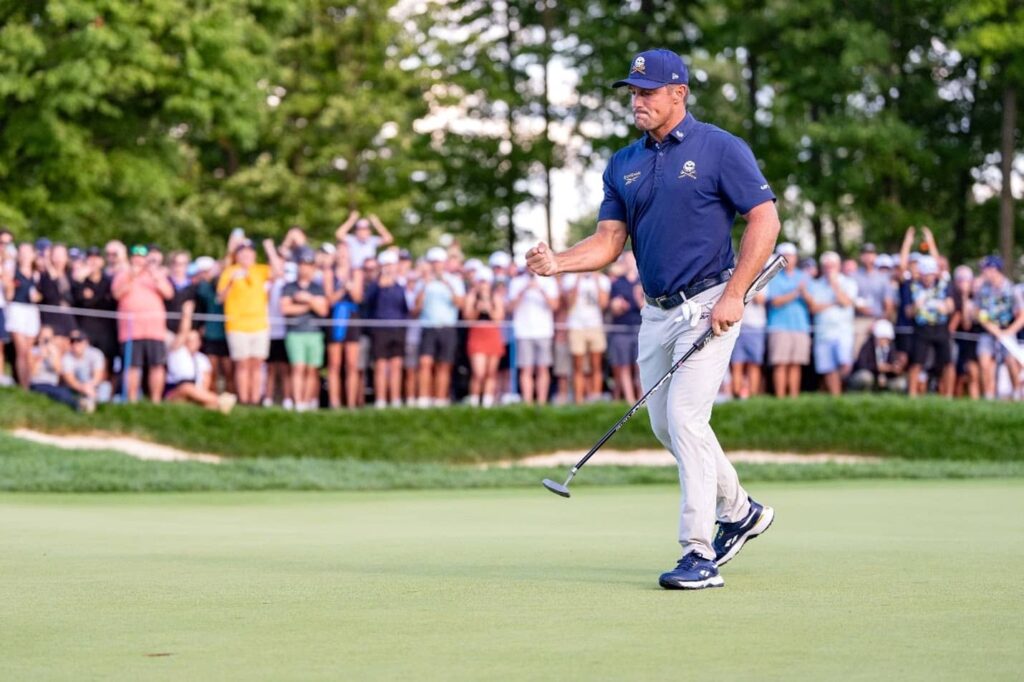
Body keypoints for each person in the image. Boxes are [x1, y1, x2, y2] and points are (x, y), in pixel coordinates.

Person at [526, 48, 780, 590]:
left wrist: (734, 295)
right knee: (665, 423)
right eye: (633, 92)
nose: (637, 101)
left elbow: (765, 219)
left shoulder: (720, 148)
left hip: (710, 302)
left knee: (686, 418)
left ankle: (698, 551)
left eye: (647, 92)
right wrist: (559, 264)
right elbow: (609, 241)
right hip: (656, 311)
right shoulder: (624, 162)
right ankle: (742, 511)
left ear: (678, 94)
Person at [217, 238, 284, 405]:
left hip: (259, 325)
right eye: (242, 252)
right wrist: (232, 281)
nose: (246, 255)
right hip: (237, 325)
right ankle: (245, 400)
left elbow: (279, 273)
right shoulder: (229, 271)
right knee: (242, 364)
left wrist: (270, 249)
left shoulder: (260, 270)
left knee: (257, 364)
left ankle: (255, 400)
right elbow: (220, 298)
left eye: (249, 251)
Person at [111, 245, 174, 402]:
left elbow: (169, 293)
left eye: (142, 256)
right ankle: (132, 400)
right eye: (136, 256)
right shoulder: (123, 274)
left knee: (157, 365)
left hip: (154, 329)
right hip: (131, 330)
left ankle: (155, 401)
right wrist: (132, 277)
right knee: (132, 366)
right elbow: (117, 294)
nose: (139, 259)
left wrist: (155, 275)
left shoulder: (156, 274)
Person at [414, 246, 465, 407]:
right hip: (428, 327)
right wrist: (424, 286)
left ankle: (440, 399)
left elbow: (459, 304)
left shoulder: (455, 281)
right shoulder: (423, 282)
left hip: (447, 328)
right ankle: (424, 399)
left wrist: (448, 285)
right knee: (425, 363)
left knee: (444, 364)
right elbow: (415, 309)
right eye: (433, 262)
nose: (436, 265)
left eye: (439, 262)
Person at [802, 251, 857, 396]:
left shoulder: (848, 282)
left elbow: (846, 302)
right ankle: (836, 397)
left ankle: (844, 391)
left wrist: (835, 286)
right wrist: (833, 302)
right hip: (823, 332)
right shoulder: (815, 285)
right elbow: (814, 308)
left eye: (832, 266)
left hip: (843, 331)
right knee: (828, 368)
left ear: (838, 266)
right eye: (826, 266)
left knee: (845, 363)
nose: (829, 269)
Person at [280, 249, 328, 411]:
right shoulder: (289, 287)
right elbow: (286, 309)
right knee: (298, 367)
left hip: (314, 333)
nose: (305, 269)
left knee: (312, 369)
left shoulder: (317, 288)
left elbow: (323, 310)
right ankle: (298, 402)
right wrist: (310, 305)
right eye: (302, 265)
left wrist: (306, 299)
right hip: (295, 332)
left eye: (308, 265)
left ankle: (307, 402)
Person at [508, 266, 560, 405]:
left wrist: (540, 290)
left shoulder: (549, 282)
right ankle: (528, 403)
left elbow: (554, 306)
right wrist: (524, 290)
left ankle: (542, 403)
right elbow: (510, 308)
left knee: (543, 368)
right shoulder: (516, 282)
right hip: (524, 332)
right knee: (526, 368)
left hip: (543, 331)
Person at [765, 243, 811, 398]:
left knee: (796, 364)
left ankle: (793, 398)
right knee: (781, 363)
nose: (789, 259)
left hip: (800, 326)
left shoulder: (803, 276)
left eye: (791, 255)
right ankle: (780, 397)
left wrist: (804, 293)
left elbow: (812, 304)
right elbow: (775, 301)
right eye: (785, 255)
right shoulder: (773, 276)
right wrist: (796, 292)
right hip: (779, 326)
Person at [975, 255, 1024, 400]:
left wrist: (1007, 332)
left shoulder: (1011, 289)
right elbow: (978, 313)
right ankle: (989, 396)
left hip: (1008, 330)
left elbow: (1021, 315)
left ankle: (1016, 394)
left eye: (987, 269)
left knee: (1011, 361)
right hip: (988, 331)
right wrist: (992, 329)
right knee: (985, 362)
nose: (985, 272)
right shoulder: (982, 290)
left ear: (996, 270)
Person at [365, 249, 409, 408]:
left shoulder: (400, 286)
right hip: (380, 329)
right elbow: (368, 303)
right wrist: (380, 285)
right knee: (381, 366)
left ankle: (395, 399)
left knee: (396, 365)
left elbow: (405, 308)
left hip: (397, 329)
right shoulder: (375, 285)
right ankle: (381, 400)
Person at [906, 255, 954, 397]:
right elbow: (908, 312)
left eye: (930, 275)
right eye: (925, 275)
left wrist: (944, 307)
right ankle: (912, 394)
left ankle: (948, 395)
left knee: (947, 362)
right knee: (917, 361)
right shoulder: (912, 287)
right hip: (922, 328)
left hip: (940, 327)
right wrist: (916, 306)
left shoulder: (944, 286)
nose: (927, 278)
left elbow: (951, 306)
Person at [324, 242, 364, 409]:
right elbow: (329, 300)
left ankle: (351, 403)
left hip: (352, 318)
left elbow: (358, 298)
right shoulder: (329, 273)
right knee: (334, 364)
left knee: (352, 364)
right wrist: (342, 289)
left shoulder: (356, 273)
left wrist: (351, 287)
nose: (342, 255)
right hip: (335, 318)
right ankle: (334, 402)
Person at [562, 270, 611, 403]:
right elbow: (569, 303)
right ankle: (579, 399)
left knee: (596, 364)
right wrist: (578, 279)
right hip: (576, 325)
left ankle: (595, 398)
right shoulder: (570, 278)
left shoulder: (602, 279)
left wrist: (596, 281)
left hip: (595, 325)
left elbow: (603, 304)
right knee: (578, 365)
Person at [462, 266, 505, 407]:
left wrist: (489, 309)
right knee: (478, 372)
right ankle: (474, 400)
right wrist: (477, 309)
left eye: (485, 281)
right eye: (481, 281)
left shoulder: (495, 297)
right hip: (477, 335)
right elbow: (467, 319)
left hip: (492, 334)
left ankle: (487, 401)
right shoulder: (471, 297)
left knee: (491, 372)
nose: (483, 285)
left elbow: (499, 319)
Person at [165, 328, 236, 413]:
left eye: (195, 340)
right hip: (175, 391)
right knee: (186, 387)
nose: (192, 343)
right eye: (189, 340)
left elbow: (206, 380)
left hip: (196, 391)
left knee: (208, 404)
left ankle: (214, 403)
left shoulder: (202, 359)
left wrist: (200, 393)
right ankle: (220, 401)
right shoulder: (176, 353)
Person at [607, 253, 644, 403]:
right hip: (621, 329)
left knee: (641, 366)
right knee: (623, 366)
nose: (629, 263)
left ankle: (642, 398)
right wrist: (619, 306)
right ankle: (629, 400)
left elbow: (647, 307)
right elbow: (613, 307)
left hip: (640, 329)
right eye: (626, 260)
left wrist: (637, 298)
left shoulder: (643, 282)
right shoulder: (616, 283)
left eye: (631, 260)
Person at [29, 325, 91, 411]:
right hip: (38, 384)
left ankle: (80, 404)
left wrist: (52, 356)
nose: (46, 341)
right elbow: (32, 374)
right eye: (43, 338)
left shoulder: (55, 351)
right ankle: (78, 405)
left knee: (65, 392)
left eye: (48, 338)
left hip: (52, 384)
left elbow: (58, 371)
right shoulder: (33, 351)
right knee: (62, 393)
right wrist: (40, 357)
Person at [6, 242, 42, 388]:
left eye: (28, 252)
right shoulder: (12, 271)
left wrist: (37, 297)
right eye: (22, 252)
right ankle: (24, 386)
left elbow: (40, 295)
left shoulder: (37, 274)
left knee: (28, 352)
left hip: (31, 312)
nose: (25, 255)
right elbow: (9, 295)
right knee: (21, 351)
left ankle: (29, 382)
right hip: (16, 310)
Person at [949, 265, 981, 399]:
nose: (964, 283)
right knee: (958, 374)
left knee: (973, 372)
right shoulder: (951, 295)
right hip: (956, 340)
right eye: (960, 280)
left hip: (971, 341)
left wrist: (966, 296)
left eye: (967, 279)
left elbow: (967, 324)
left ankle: (976, 400)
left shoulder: (977, 296)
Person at [848, 319, 906, 392]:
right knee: (865, 377)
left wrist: (895, 369)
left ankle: (885, 395)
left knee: (901, 383)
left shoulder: (891, 348)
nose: (885, 341)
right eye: (882, 338)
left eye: (887, 339)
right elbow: (861, 364)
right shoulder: (868, 346)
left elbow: (893, 364)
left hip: (885, 378)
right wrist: (876, 367)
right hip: (871, 377)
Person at [60, 329, 110, 410]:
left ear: (86, 342)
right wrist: (83, 388)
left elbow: (98, 377)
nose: (75, 343)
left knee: (106, 387)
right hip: (76, 388)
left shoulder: (96, 354)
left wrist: (89, 387)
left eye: (78, 340)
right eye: (72, 341)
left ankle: (98, 406)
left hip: (93, 386)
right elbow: (70, 380)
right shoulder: (66, 358)